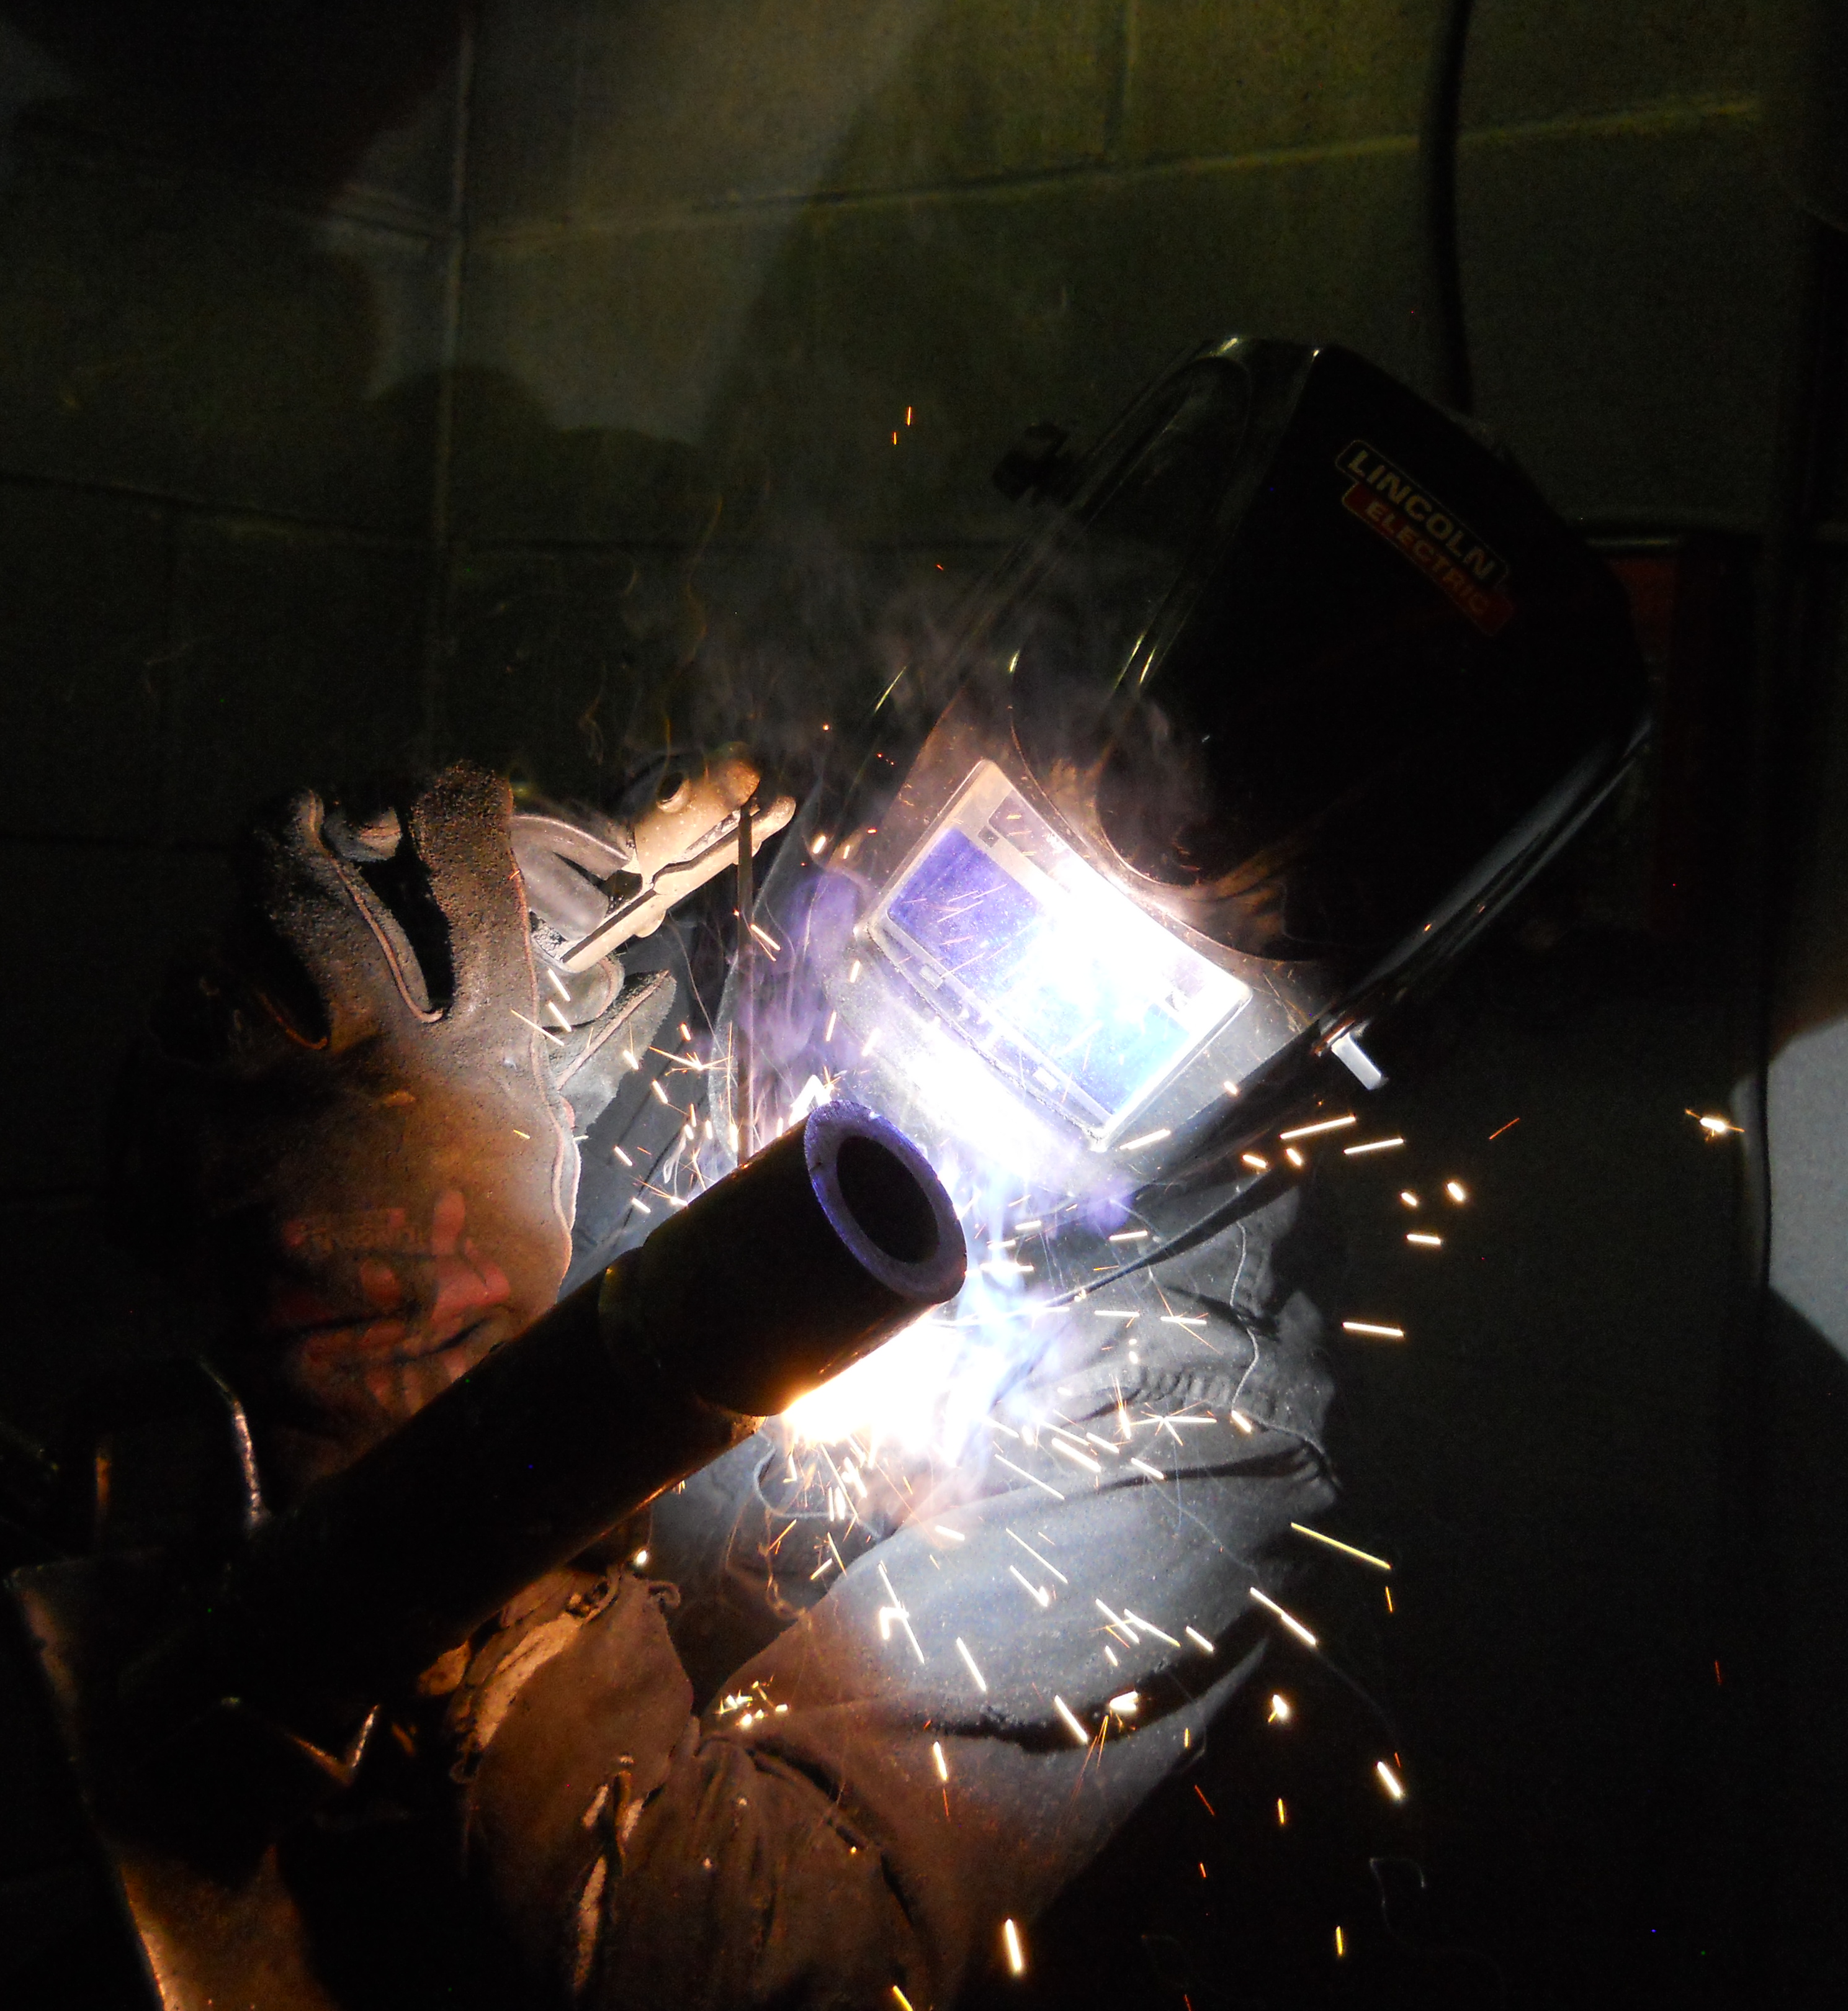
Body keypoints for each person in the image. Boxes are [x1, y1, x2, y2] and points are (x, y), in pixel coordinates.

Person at [101, 338, 1644, 2009]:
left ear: (1303, 1046)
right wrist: (321, 1061)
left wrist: (442, 1397)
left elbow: (758, 1967)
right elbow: (158, 1222)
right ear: (938, 722)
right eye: (980, 892)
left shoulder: (1182, 1420)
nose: (983, 1028)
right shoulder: (715, 905)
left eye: (1120, 1009)